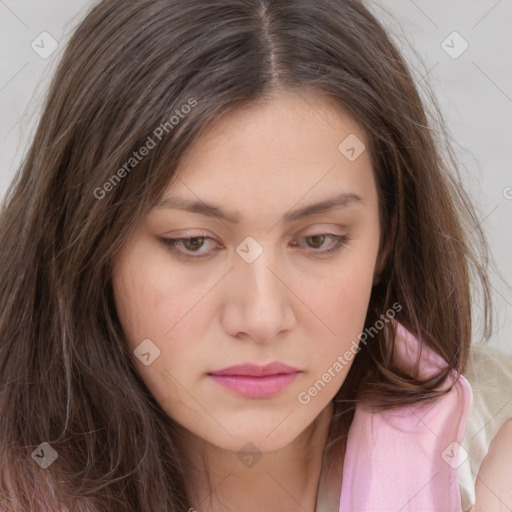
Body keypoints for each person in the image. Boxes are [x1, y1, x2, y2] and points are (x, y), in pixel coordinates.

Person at [0, 0, 510, 511]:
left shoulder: (492, 449)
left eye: (318, 240)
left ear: (388, 238)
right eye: (193, 242)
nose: (262, 318)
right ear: (90, 245)